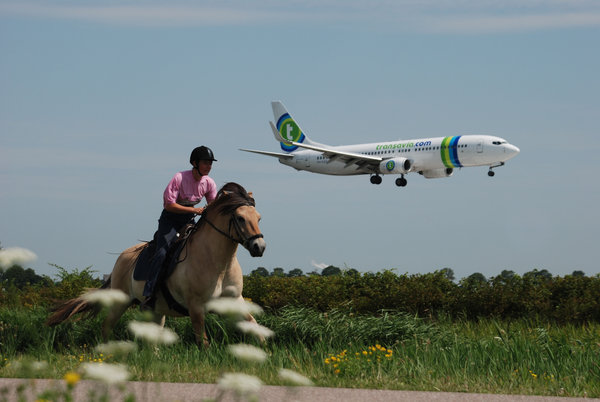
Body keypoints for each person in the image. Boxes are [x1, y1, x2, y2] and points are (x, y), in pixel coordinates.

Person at [142, 146, 218, 307]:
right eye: (205, 163)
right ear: (194, 163)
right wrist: (195, 210)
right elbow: (169, 205)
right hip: (170, 220)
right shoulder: (179, 177)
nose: (209, 166)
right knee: (162, 253)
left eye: (210, 163)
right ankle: (149, 294)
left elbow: (212, 206)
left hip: (188, 220)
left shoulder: (209, 183)